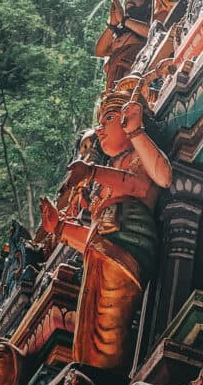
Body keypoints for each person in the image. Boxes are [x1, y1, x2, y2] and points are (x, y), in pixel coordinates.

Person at [40, 90, 171, 370]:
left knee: (108, 324)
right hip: (100, 249)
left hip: (126, 246)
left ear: (128, 117)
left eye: (108, 118)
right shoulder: (107, 173)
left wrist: (134, 134)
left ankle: (100, 381)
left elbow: (154, 180)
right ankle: (85, 379)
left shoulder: (137, 155)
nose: (99, 128)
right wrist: (60, 228)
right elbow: (92, 235)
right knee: (85, 331)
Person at [94, 0, 151, 88]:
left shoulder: (149, 22)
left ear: (147, 4)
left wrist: (124, 20)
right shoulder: (120, 32)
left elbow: (151, 33)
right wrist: (112, 25)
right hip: (114, 86)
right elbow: (100, 52)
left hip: (133, 80)